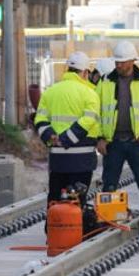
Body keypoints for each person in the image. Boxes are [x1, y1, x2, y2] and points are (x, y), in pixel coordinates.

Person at [96, 42, 139, 237]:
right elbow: (96, 112)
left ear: (132, 61)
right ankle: (111, 221)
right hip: (113, 143)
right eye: (117, 62)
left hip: (137, 142)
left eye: (122, 62)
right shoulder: (105, 81)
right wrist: (100, 138)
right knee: (110, 183)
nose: (118, 65)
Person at [35, 52, 102, 200]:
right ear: (85, 72)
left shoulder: (50, 92)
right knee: (76, 204)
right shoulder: (90, 94)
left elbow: (40, 119)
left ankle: (52, 224)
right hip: (82, 159)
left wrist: (51, 137)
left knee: (55, 201)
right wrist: (67, 138)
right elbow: (89, 120)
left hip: (58, 159)